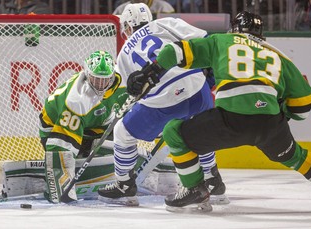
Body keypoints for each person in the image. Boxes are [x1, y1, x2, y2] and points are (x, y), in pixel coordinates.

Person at [127, 11, 311, 212]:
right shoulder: (279, 57)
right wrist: (281, 115)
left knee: (174, 132)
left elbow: (175, 51)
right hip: (270, 124)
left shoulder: (222, 41)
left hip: (231, 120)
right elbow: (303, 106)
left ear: (234, 29)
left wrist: (152, 70)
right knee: (297, 156)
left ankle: (195, 188)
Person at [97, 3, 227, 206]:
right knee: (199, 132)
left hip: (164, 102)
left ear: (127, 26)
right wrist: (209, 72)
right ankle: (213, 181)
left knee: (122, 132)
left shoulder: (123, 55)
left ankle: (125, 186)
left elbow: (134, 93)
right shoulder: (166, 23)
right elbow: (207, 41)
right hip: (198, 90)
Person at [39, 50, 125, 203]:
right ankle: (79, 156)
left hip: (97, 123)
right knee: (65, 152)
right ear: (86, 73)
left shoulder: (123, 78)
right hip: (54, 129)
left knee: (122, 136)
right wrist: (62, 189)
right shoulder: (76, 100)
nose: (100, 84)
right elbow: (60, 146)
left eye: (104, 79)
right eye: (96, 79)